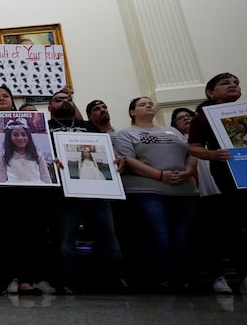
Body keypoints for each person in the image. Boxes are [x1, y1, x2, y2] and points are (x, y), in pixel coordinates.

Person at [0, 84, 48, 296]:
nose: (2, 98)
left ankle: (26, 281)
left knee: (28, 233)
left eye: (6, 95)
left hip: (28, 185)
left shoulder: (26, 123)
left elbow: (42, 147)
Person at [115, 97, 197, 292]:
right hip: (148, 189)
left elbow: (191, 153)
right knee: (159, 233)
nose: (149, 105)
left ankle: (178, 278)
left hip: (184, 190)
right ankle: (157, 278)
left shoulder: (174, 131)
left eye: (150, 103)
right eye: (142, 104)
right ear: (132, 112)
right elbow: (128, 160)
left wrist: (188, 170)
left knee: (181, 235)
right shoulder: (126, 133)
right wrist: (160, 175)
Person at [47, 89, 123, 294]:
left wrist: (115, 157)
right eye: (58, 100)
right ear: (49, 107)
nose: (64, 102)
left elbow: (108, 149)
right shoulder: (46, 128)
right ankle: (67, 281)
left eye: (68, 99)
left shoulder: (89, 126)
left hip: (99, 190)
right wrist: (49, 161)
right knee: (65, 236)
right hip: (64, 192)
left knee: (108, 235)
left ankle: (113, 281)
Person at [188, 73, 247, 294]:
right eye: (225, 83)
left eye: (236, 83)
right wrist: (213, 154)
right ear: (210, 92)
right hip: (229, 174)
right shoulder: (202, 118)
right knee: (236, 223)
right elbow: (194, 147)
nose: (233, 86)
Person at [0, 118, 52, 184]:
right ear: (9, 137)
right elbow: (0, 179)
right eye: (15, 135)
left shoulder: (37, 154)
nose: (20, 138)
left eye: (23, 134)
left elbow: (45, 177)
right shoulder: (3, 155)